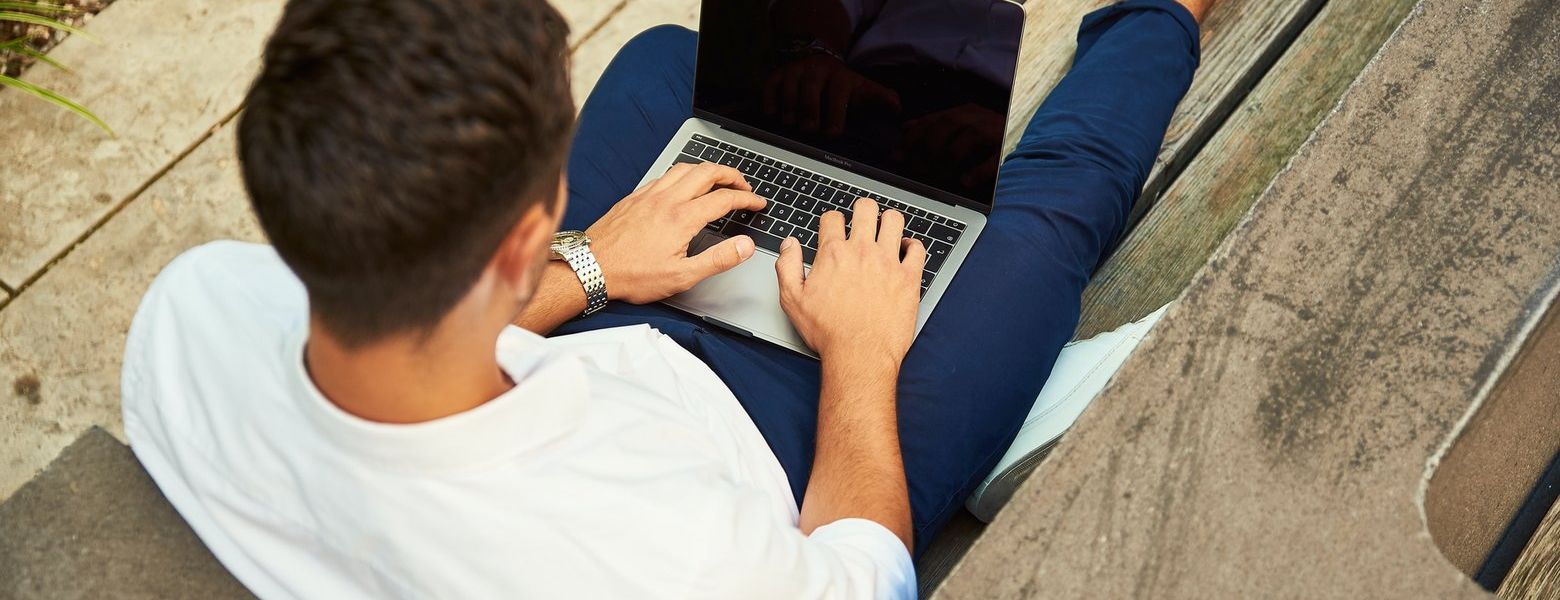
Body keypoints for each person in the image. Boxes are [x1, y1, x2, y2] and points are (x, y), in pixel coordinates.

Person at [120, 0, 1209, 597]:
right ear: (514, 240)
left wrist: (591, 265)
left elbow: (396, 350)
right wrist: (864, 352)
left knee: (660, 62)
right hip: (794, 442)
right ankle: (1159, 11)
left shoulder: (192, 313)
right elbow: (864, 577)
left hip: (590, 343)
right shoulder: (674, 564)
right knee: (1042, 217)